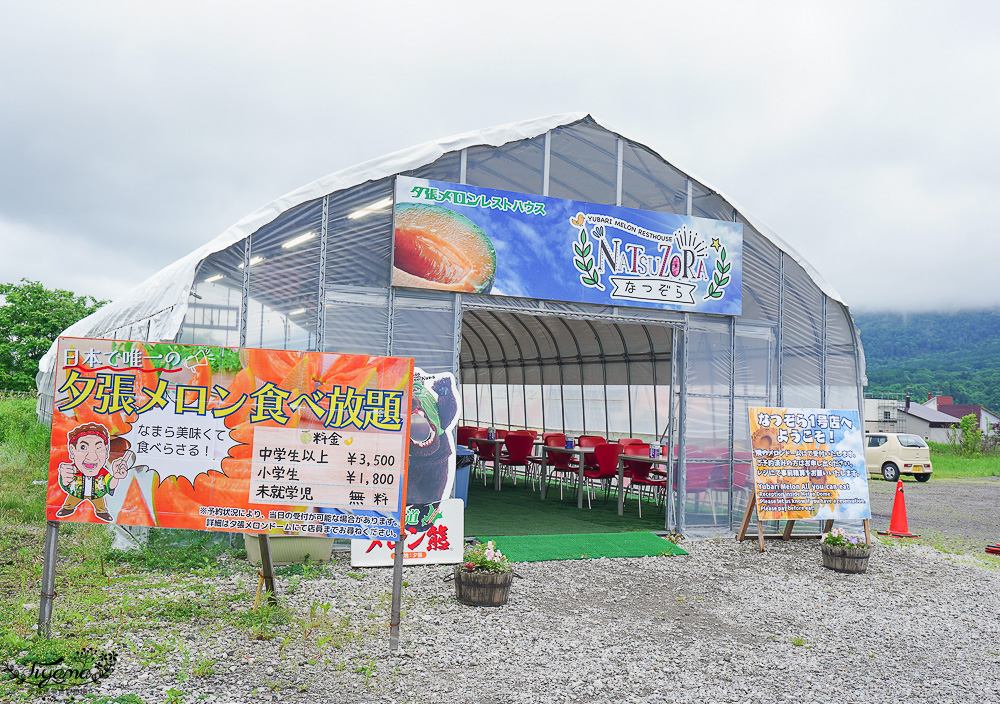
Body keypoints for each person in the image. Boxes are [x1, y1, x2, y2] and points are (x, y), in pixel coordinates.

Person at [55, 423, 132, 522]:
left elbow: (110, 485)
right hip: (78, 492)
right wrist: (64, 477)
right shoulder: (73, 470)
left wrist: (116, 477)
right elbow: (66, 482)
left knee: (99, 503)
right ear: (72, 450)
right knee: (72, 500)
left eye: (99, 448)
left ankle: (102, 511)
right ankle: (67, 508)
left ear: (106, 451)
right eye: (83, 447)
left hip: (96, 493)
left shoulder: (103, 472)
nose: (92, 457)